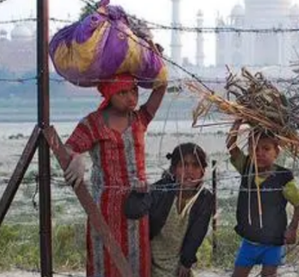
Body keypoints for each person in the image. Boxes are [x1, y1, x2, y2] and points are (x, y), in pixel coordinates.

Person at [64, 72, 167, 277]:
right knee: (104, 260)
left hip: (137, 205)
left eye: (134, 91)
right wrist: (78, 158)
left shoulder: (139, 119)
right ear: (109, 94)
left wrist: (155, 56)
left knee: (137, 262)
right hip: (105, 208)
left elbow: (161, 86)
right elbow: (68, 148)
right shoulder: (93, 123)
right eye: (122, 92)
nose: (131, 98)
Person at [227, 120, 299, 277]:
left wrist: (293, 227)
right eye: (254, 148)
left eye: (266, 149)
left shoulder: (283, 178)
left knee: (269, 275)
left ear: (276, 152)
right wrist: (237, 123)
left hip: (273, 243)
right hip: (249, 241)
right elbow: (231, 146)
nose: (260, 153)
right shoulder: (246, 167)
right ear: (249, 150)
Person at [125, 143, 214, 277]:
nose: (189, 170)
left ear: (202, 171)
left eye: (196, 165)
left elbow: (197, 234)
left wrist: (186, 263)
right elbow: (132, 211)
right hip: (152, 260)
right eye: (183, 165)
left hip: (178, 263)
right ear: (174, 169)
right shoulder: (162, 190)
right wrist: (138, 193)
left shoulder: (204, 198)